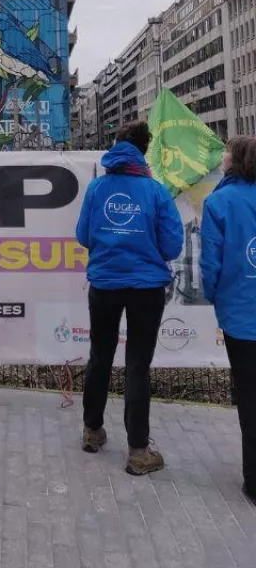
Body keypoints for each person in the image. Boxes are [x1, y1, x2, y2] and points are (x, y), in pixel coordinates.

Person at [74, 120, 183, 475]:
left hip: (104, 284)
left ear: (117, 146)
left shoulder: (97, 188)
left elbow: (84, 236)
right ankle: (138, 451)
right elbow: (171, 245)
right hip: (146, 288)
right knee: (137, 365)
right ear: (143, 149)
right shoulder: (155, 191)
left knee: (99, 356)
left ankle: (92, 432)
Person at [201, 137, 256, 502]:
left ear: (234, 160)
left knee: (250, 397)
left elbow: (211, 263)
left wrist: (214, 296)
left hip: (241, 315)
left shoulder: (219, 201)